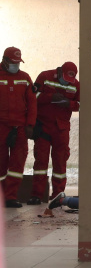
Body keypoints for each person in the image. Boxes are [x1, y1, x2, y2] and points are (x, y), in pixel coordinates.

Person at [27, 62, 80, 205]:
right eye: (65, 78)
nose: (67, 82)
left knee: (60, 163)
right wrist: (51, 97)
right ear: (60, 71)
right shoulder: (45, 76)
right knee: (41, 162)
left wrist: (68, 104)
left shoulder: (76, 85)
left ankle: (58, 195)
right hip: (43, 126)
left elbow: (81, 104)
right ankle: (37, 195)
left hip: (61, 129)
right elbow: (34, 96)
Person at [0, 47, 37, 208]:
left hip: (20, 127)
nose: (16, 66)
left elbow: (32, 103)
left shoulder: (25, 77)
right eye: (13, 62)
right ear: (5, 60)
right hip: (1, 126)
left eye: (18, 63)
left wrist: (30, 124)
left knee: (17, 164)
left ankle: (10, 197)